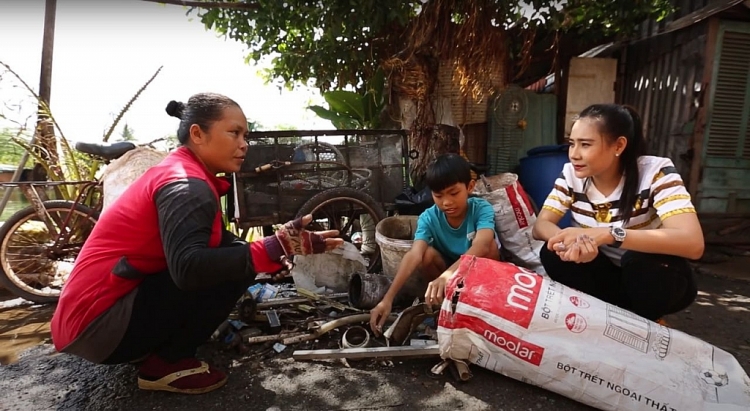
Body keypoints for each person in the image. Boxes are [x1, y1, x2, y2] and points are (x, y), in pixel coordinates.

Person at [51, 93, 343, 394]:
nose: (244, 144)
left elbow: (217, 242)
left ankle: (154, 344)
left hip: (93, 318)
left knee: (236, 256)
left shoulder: (182, 171)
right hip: (97, 327)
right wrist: (273, 248)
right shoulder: (186, 185)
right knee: (236, 265)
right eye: (234, 133)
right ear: (197, 134)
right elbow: (189, 269)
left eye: (246, 135)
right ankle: (165, 363)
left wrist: (278, 246)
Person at [531, 103, 704, 322]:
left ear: (619, 145)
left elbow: (693, 243)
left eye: (585, 145)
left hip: (655, 281)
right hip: (607, 278)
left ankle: (646, 320)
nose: (574, 154)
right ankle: (607, 319)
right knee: (553, 252)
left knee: (642, 263)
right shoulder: (572, 175)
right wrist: (573, 244)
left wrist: (610, 234)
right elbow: (541, 225)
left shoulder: (655, 172)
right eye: (571, 144)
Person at [369, 153, 500, 335]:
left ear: (469, 187)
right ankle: (444, 305)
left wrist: (447, 276)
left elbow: (483, 245)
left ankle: (487, 302)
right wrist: (387, 299)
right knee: (426, 254)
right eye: (438, 195)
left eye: (454, 193)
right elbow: (414, 254)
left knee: (491, 247)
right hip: (448, 278)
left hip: (478, 276)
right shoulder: (428, 218)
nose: (447, 202)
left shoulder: (481, 208)